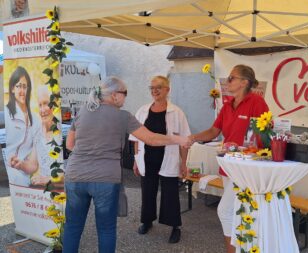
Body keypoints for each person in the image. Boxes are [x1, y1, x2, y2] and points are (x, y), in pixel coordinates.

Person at [63, 76, 191, 253]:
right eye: (125, 94)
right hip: (106, 179)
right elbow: (152, 139)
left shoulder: (83, 111)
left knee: (72, 227)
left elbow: (70, 145)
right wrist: (178, 139)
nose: (125, 98)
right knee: (106, 229)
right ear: (115, 95)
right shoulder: (123, 116)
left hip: (75, 176)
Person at [189, 65, 269, 253]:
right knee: (236, 214)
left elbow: (265, 135)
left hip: (246, 169)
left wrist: (251, 149)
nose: (227, 81)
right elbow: (213, 131)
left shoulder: (257, 102)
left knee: (225, 211)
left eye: (232, 78)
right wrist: (191, 138)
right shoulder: (227, 105)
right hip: (227, 167)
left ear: (244, 82)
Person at [129, 76, 190, 243]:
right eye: (152, 87)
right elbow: (136, 138)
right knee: (147, 192)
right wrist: (136, 159)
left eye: (159, 87)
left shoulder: (177, 112)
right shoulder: (142, 111)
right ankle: (147, 221)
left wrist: (183, 163)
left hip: (168, 159)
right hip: (146, 158)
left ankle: (175, 227)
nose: (155, 90)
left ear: (167, 90)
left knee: (170, 194)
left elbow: (184, 141)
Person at [4, 66, 40, 187]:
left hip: (23, 177)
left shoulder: (35, 119)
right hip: (8, 172)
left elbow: (34, 165)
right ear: (12, 88)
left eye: (25, 86)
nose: (22, 90)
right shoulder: (7, 114)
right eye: (18, 86)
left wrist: (22, 165)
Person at [30, 86, 64, 186]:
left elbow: (70, 172)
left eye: (45, 103)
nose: (42, 109)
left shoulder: (61, 131)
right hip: (43, 195)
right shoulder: (37, 132)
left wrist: (47, 179)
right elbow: (32, 164)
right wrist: (19, 164)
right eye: (40, 105)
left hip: (61, 195)